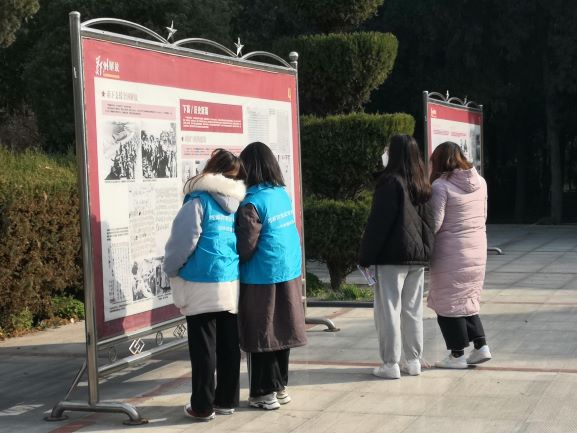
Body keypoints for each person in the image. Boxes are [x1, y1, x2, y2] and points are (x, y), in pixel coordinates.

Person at [163, 149, 246, 421]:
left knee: (203, 349)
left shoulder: (198, 202)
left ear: (210, 169)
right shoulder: (236, 205)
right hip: (229, 282)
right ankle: (226, 401)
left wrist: (170, 269)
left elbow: (182, 244)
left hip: (201, 283)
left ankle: (202, 406)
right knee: (229, 346)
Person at [235, 141, 307, 410]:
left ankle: (264, 393)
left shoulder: (251, 203)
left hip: (260, 277)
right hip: (288, 272)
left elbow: (245, 246)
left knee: (261, 333)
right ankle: (280, 387)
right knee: (281, 331)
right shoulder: (281, 194)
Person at [358, 134, 434, 379]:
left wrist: (365, 256)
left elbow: (378, 225)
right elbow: (429, 223)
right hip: (417, 258)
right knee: (412, 310)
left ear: (394, 154)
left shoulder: (390, 182)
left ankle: (390, 364)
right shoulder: (422, 183)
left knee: (389, 309)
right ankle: (413, 360)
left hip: (392, 257)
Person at [428, 141, 492, 368]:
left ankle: (457, 355)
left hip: (451, 251)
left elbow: (435, 223)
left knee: (448, 303)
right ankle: (481, 346)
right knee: (467, 299)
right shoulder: (481, 182)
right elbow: (483, 215)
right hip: (477, 248)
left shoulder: (440, 186)